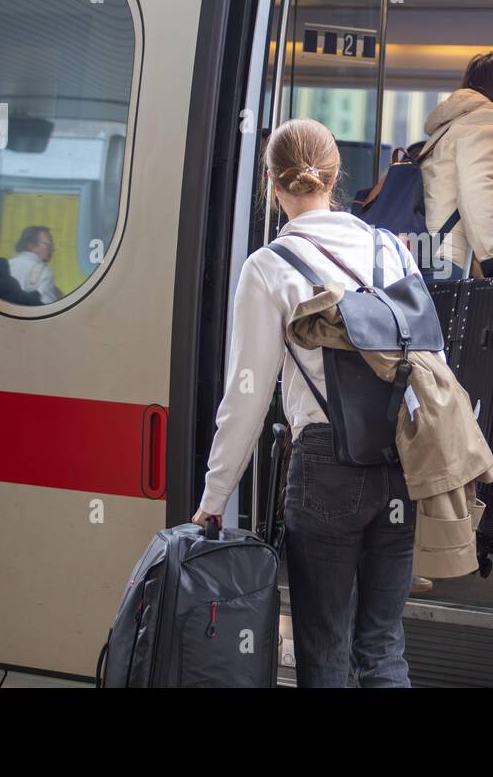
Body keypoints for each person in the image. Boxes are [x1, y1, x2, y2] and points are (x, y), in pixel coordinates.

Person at [193, 118, 421, 688]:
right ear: (335, 176)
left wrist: (215, 496)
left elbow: (247, 395)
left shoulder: (269, 266)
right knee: (384, 646)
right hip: (401, 460)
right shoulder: (391, 248)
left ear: (272, 185)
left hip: (325, 466)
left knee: (324, 649)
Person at [420, 51, 493, 281]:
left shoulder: (453, 123)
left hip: (431, 253)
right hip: (449, 261)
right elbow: (479, 192)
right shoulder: (487, 120)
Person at [9, 225, 61, 304]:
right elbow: (47, 307)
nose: (53, 248)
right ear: (32, 245)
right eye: (49, 243)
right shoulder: (45, 272)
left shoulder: (7, 264)